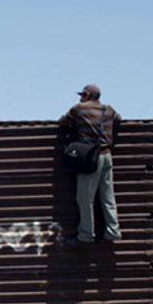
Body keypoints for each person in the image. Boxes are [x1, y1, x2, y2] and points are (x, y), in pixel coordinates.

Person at [59, 84, 122, 244]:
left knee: (85, 198)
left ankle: (86, 234)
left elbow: (62, 122)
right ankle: (113, 231)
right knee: (107, 197)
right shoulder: (109, 110)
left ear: (87, 95)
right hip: (107, 155)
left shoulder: (79, 109)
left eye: (82, 95)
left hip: (90, 157)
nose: (80, 98)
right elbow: (119, 120)